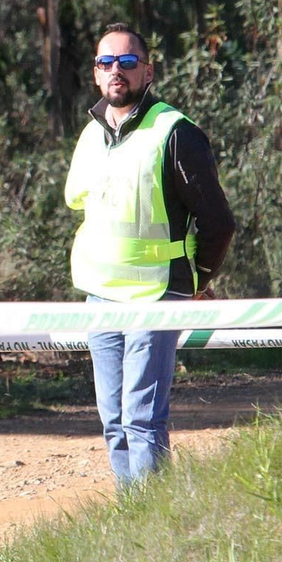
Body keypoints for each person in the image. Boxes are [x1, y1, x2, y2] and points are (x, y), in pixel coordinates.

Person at [66, 24, 235, 487]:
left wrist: (197, 281)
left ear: (148, 71)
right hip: (100, 296)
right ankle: (130, 523)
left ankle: (152, 528)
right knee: (113, 420)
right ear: (96, 74)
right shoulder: (91, 135)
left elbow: (218, 223)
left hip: (156, 293)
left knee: (142, 419)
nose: (115, 71)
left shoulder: (175, 132)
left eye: (127, 62)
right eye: (106, 63)